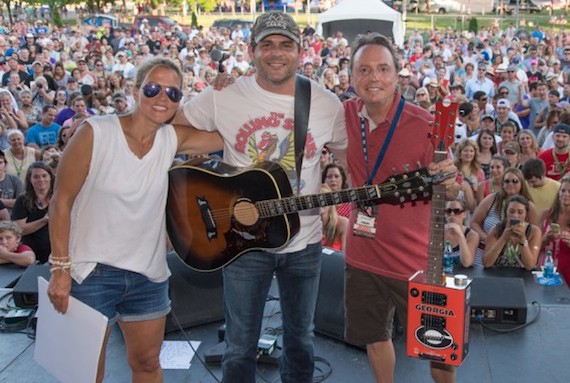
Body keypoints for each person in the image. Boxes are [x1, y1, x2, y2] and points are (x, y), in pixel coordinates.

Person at [173, 12, 347, 383]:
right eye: (266, 44)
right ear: (252, 50)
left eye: (286, 45)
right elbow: (176, 128)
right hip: (241, 243)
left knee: (301, 340)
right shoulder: (224, 96)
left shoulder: (326, 104)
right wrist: (209, 159)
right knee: (239, 344)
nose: (276, 53)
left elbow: (352, 159)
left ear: (301, 52)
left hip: (304, 242)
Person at [47, 57, 223, 383]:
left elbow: (224, 137)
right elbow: (61, 203)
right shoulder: (94, 132)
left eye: (173, 93)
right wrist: (59, 268)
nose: (162, 98)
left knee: (146, 364)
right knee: (83, 374)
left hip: (147, 275)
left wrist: (223, 94)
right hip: (89, 272)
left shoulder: (173, 138)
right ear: (135, 89)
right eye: (154, 88)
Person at [341, 33, 456, 383]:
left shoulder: (424, 125)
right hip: (362, 255)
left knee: (438, 347)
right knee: (375, 337)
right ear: (351, 77)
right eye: (364, 69)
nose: (373, 77)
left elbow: (451, 186)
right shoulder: (343, 113)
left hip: (416, 262)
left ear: (397, 74)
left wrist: (450, 180)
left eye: (383, 68)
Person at [11, 161, 53, 264]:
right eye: (36, 177)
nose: (41, 179)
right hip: (33, 255)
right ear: (30, 179)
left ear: (50, 177)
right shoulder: (23, 200)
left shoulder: (58, 197)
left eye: (44, 176)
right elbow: (19, 229)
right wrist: (44, 220)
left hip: (56, 254)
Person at [483, 195, 541, 270]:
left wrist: (522, 239)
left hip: (524, 277)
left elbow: (530, 266)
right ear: (506, 213)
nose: (515, 216)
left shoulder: (534, 231)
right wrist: (503, 238)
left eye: (520, 212)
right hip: (499, 275)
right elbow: (487, 263)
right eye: (511, 211)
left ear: (526, 215)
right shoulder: (496, 230)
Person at [540, 176, 570, 284]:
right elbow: (533, 246)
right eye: (563, 190)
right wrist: (545, 239)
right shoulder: (546, 214)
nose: (565, 194)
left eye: (569, 191)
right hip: (544, 272)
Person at [444, 199, 478, 269]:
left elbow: (467, 263)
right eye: (448, 211)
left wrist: (461, 236)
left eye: (457, 211)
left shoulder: (472, 235)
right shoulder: (438, 232)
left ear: (464, 214)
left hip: (461, 275)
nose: (452, 214)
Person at [320, 183, 348, 251]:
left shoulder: (343, 223)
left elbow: (344, 256)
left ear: (330, 206)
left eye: (322, 205)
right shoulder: (308, 226)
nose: (320, 210)